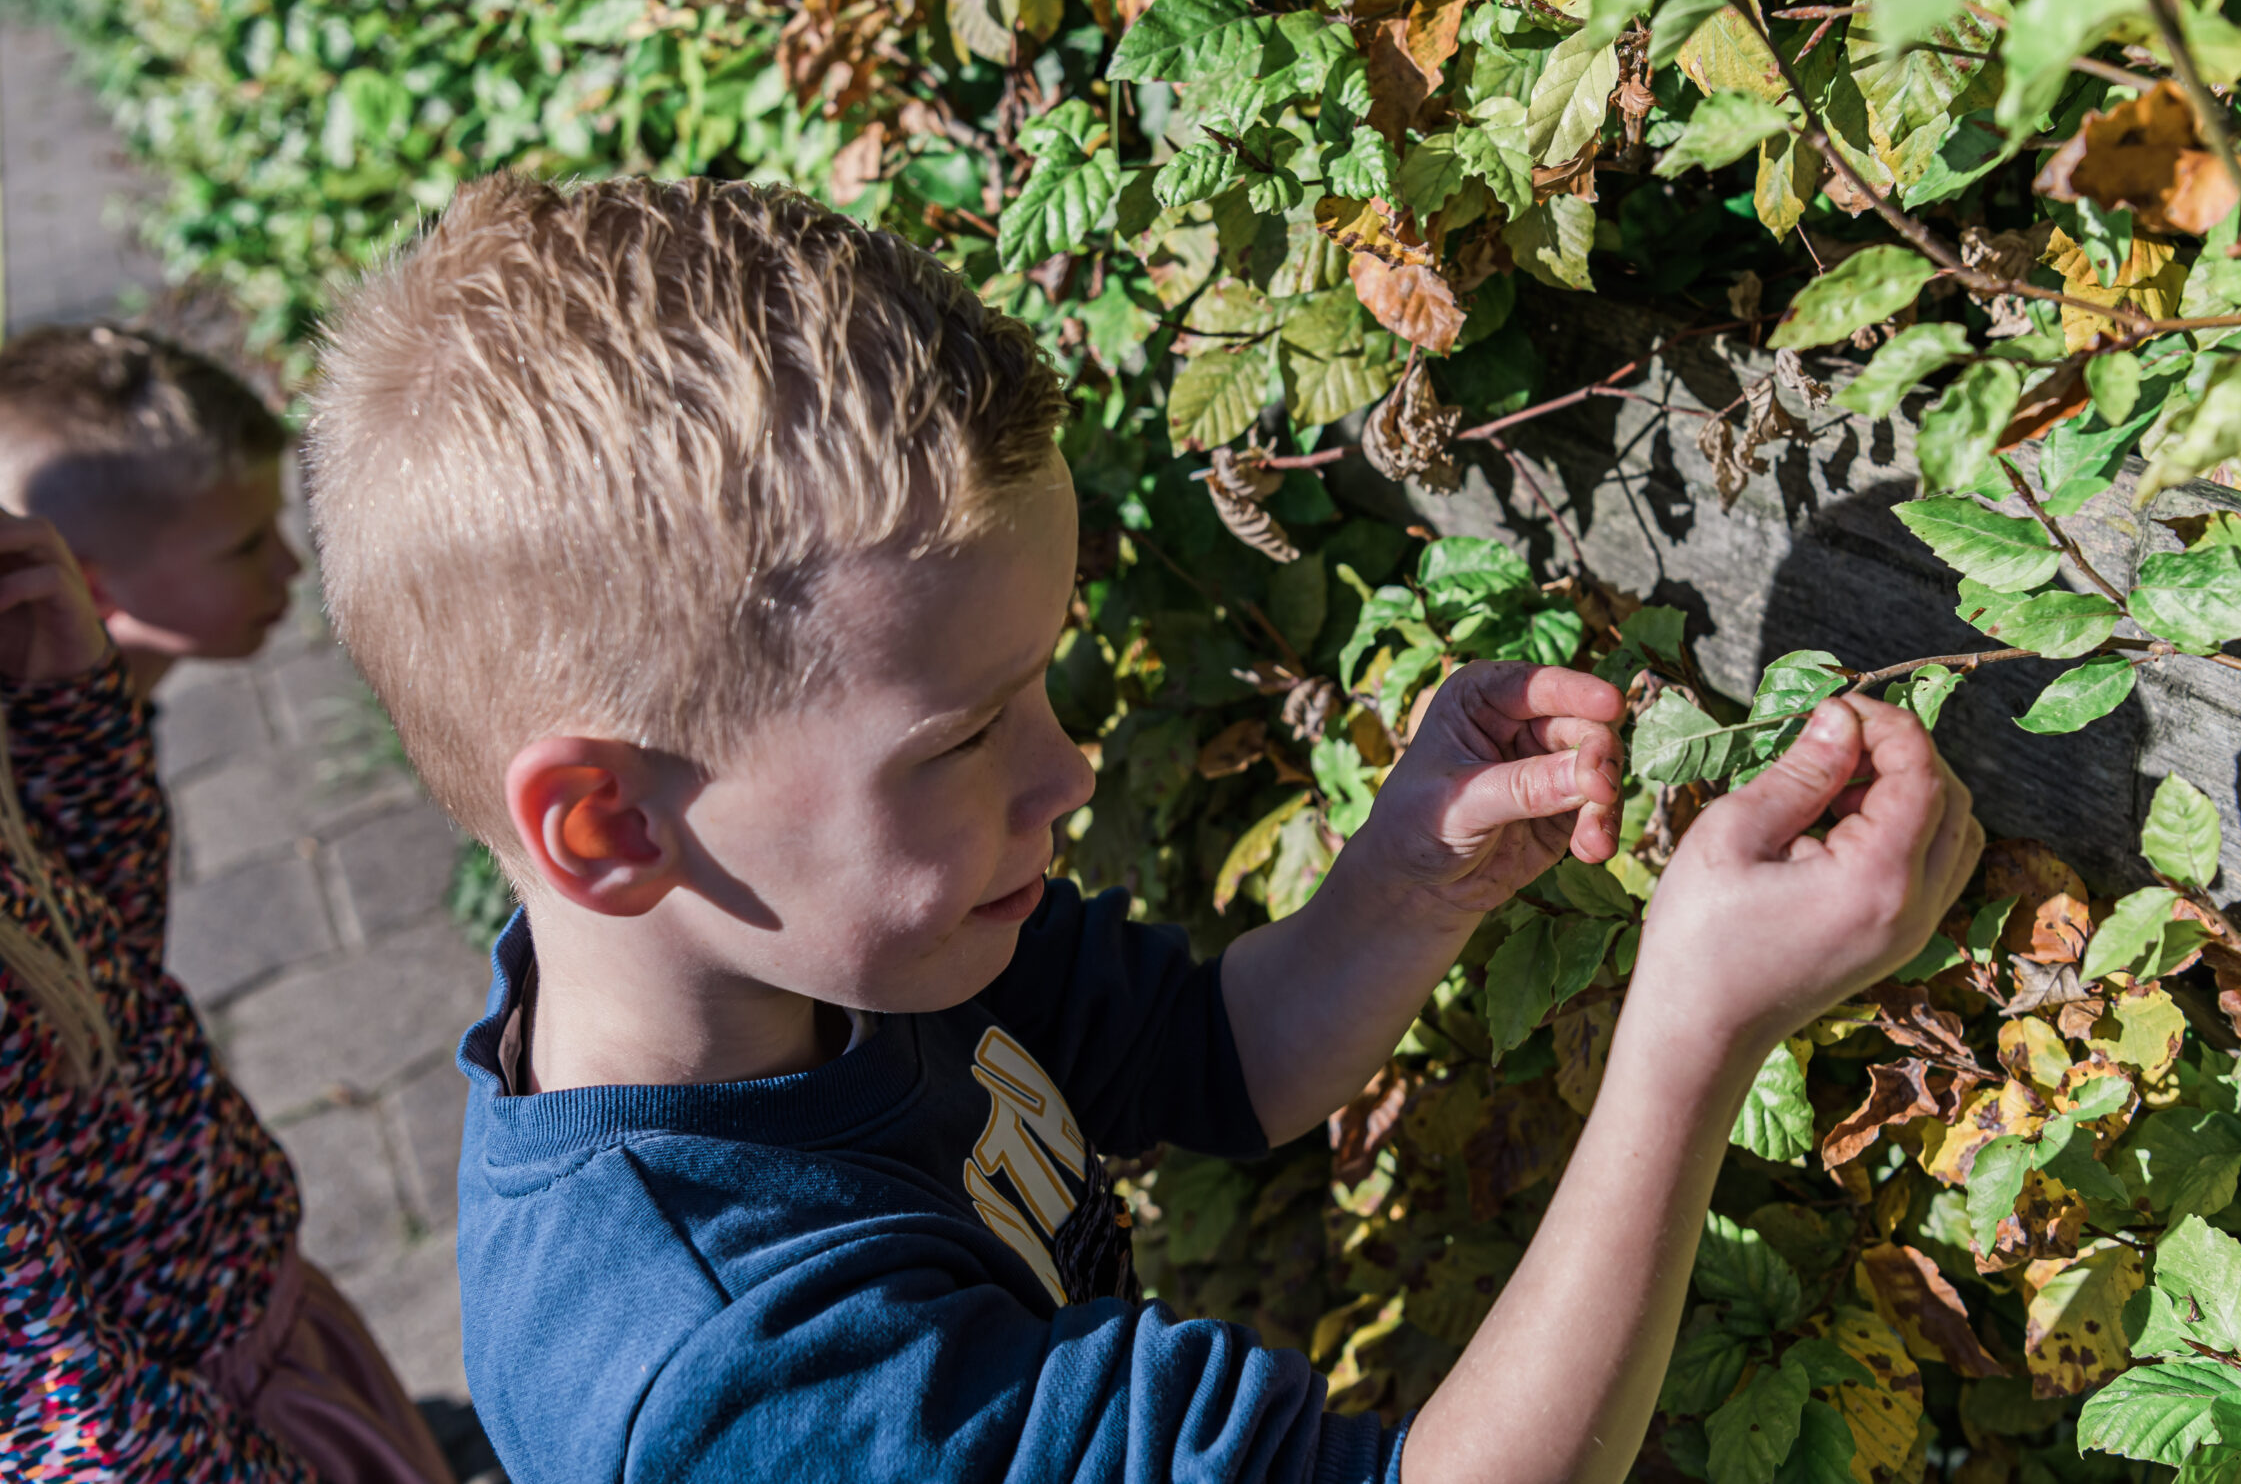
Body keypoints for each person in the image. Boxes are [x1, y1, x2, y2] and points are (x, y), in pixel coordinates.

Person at [304, 174, 1982, 1484]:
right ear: (606, 823)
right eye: (967, 732)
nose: (1070, 768)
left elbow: (1211, 1054)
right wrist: (1693, 1031)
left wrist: (1407, 881)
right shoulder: (749, 1380)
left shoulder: (823, 940)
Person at [0, 509, 455, 1481]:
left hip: (261, 1324)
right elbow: (52, 1395)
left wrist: (65, 715)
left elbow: (110, 965)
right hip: (216, 1436)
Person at [0, 324, 303, 699]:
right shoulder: (57, 732)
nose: (291, 565)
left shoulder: (79, 716)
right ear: (90, 588)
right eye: (247, 547)